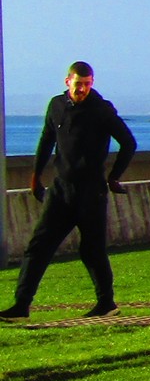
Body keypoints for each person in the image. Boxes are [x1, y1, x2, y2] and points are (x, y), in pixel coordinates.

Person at [2, 61, 137, 321]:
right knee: (38, 247)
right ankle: (21, 306)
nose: (82, 89)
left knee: (92, 250)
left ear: (92, 83)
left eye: (87, 84)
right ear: (68, 82)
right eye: (78, 84)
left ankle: (106, 303)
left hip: (91, 192)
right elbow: (46, 140)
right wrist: (35, 176)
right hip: (60, 190)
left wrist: (113, 178)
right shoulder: (56, 106)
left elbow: (129, 143)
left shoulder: (102, 110)